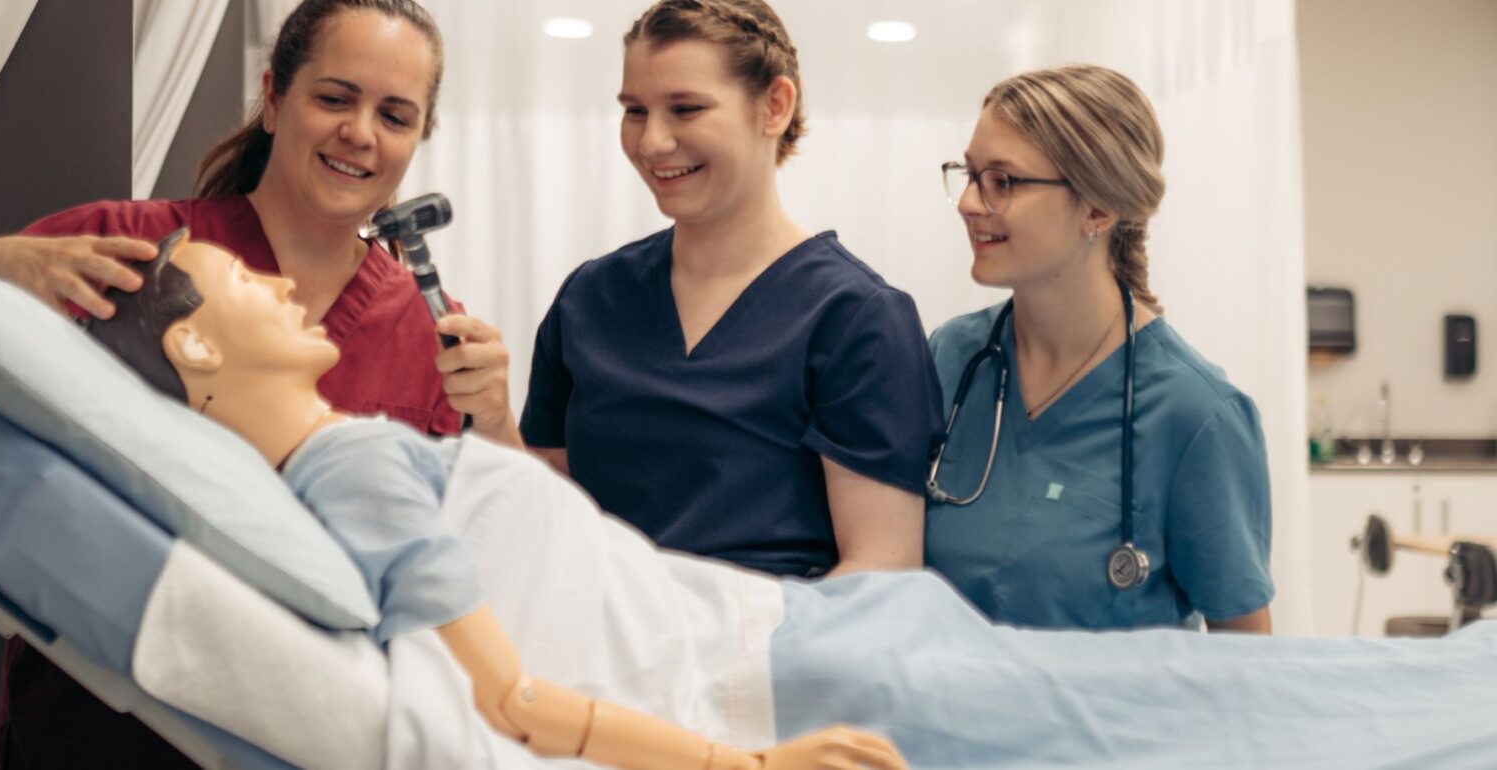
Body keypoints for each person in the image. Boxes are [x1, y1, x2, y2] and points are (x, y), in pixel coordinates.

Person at [90, 229, 1497, 770]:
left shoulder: (354, 455)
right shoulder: (343, 467)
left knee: (1194, 709)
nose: (271, 278)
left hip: (805, 643)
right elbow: (505, 695)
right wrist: (749, 768)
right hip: (786, 677)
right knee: (1187, 718)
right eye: (234, 281)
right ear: (198, 354)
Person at [0, 1, 515, 766]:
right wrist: (0, 262)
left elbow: (489, 544)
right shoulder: (129, 248)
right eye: (334, 98)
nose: (360, 132)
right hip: (90, 726)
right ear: (273, 98)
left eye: (395, 115)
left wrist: (497, 422)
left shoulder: (432, 329)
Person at [516, 0, 943, 578]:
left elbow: (880, 568)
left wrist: (727, 632)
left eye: (685, 109)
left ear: (774, 106)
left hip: (782, 630)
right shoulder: (590, 299)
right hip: (600, 625)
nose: (651, 142)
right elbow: (543, 516)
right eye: (635, 110)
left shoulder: (855, 316)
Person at [924, 65, 1274, 632]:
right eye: (969, 174)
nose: (968, 202)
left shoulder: (1196, 414)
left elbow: (1246, 652)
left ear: (1098, 209)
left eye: (1001, 181)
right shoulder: (952, 358)